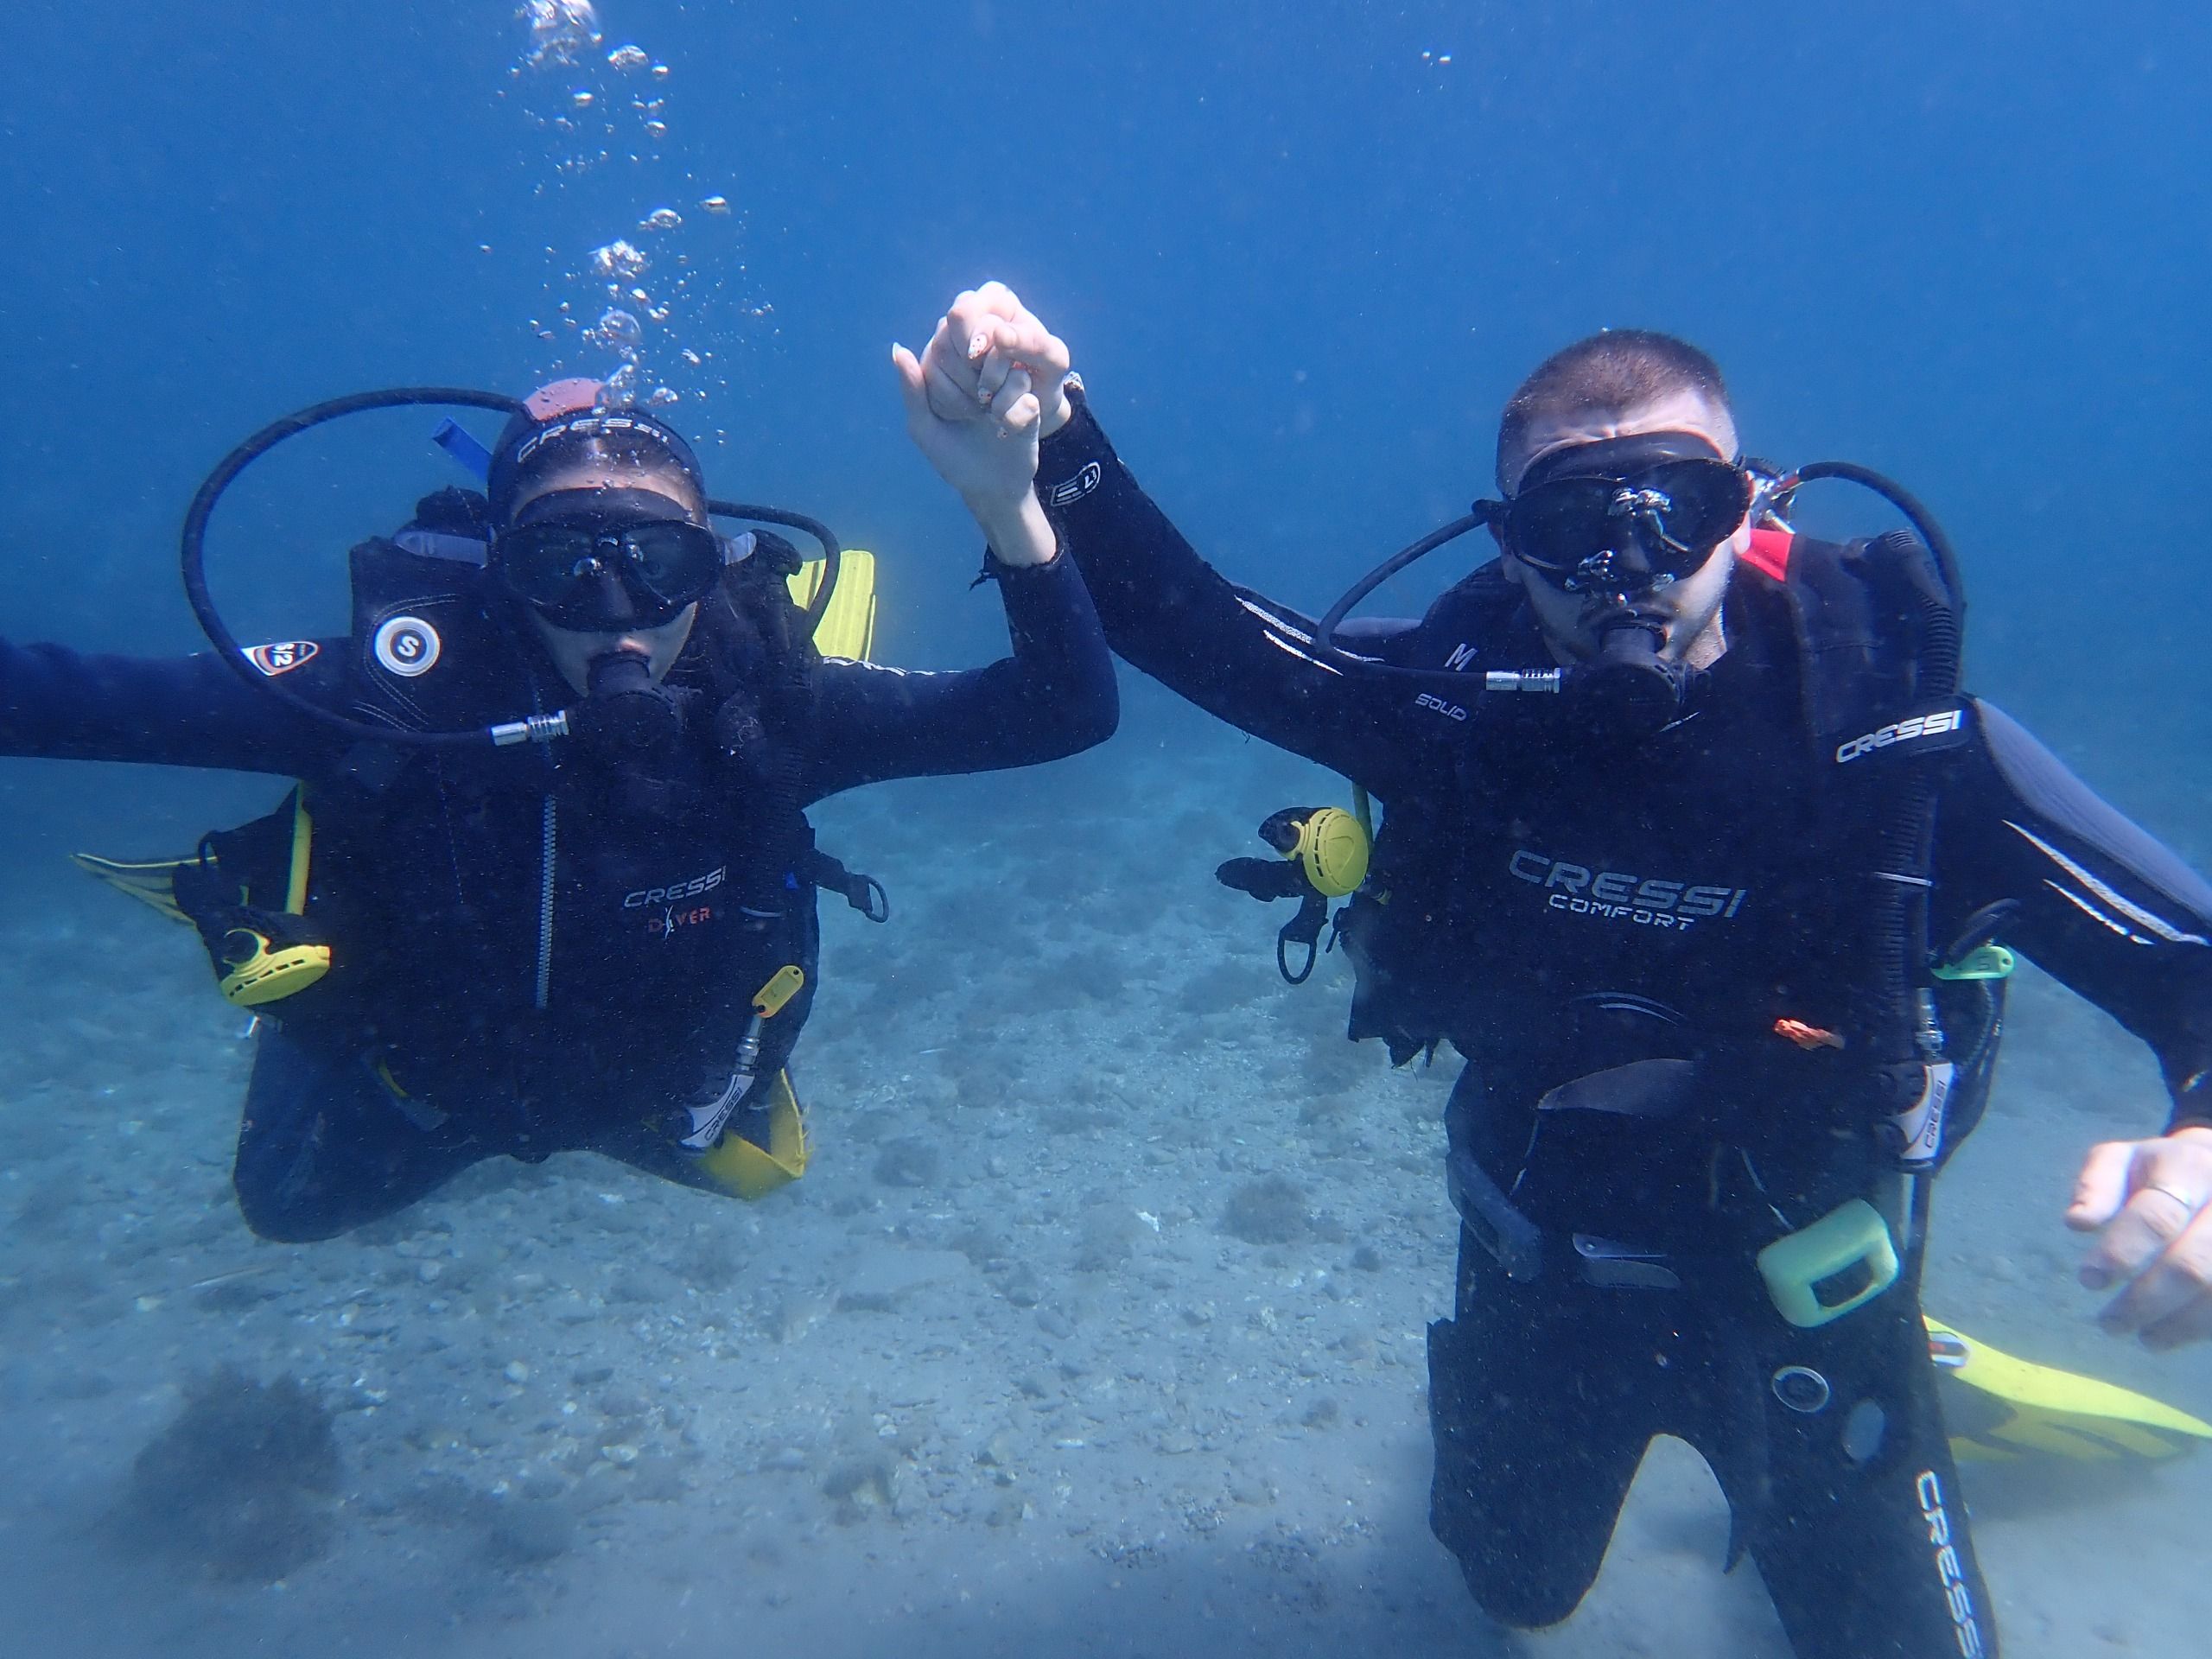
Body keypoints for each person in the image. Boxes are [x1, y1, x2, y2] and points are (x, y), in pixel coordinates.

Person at [902, 284, 2212, 1659]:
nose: (1626, 568)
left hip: (1812, 1290)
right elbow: (1200, 631)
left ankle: (1925, 1382)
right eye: (1572, 523)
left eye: (1677, 507)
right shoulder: (1458, 713)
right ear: (1509, 543)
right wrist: (1053, 444)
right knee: (1510, 1585)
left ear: (1754, 509)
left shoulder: (1903, 755)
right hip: (1543, 1269)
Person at [6, 372, 1115, 1240]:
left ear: (710, 561)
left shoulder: (780, 708)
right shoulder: (391, 698)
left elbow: (1065, 710)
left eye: (657, 561)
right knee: (286, 1211)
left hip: (653, 1100)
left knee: (757, 1171)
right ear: (499, 570)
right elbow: (74, 702)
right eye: (560, 567)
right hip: (427, 1090)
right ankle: (300, 890)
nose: (615, 613)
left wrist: (1004, 501)